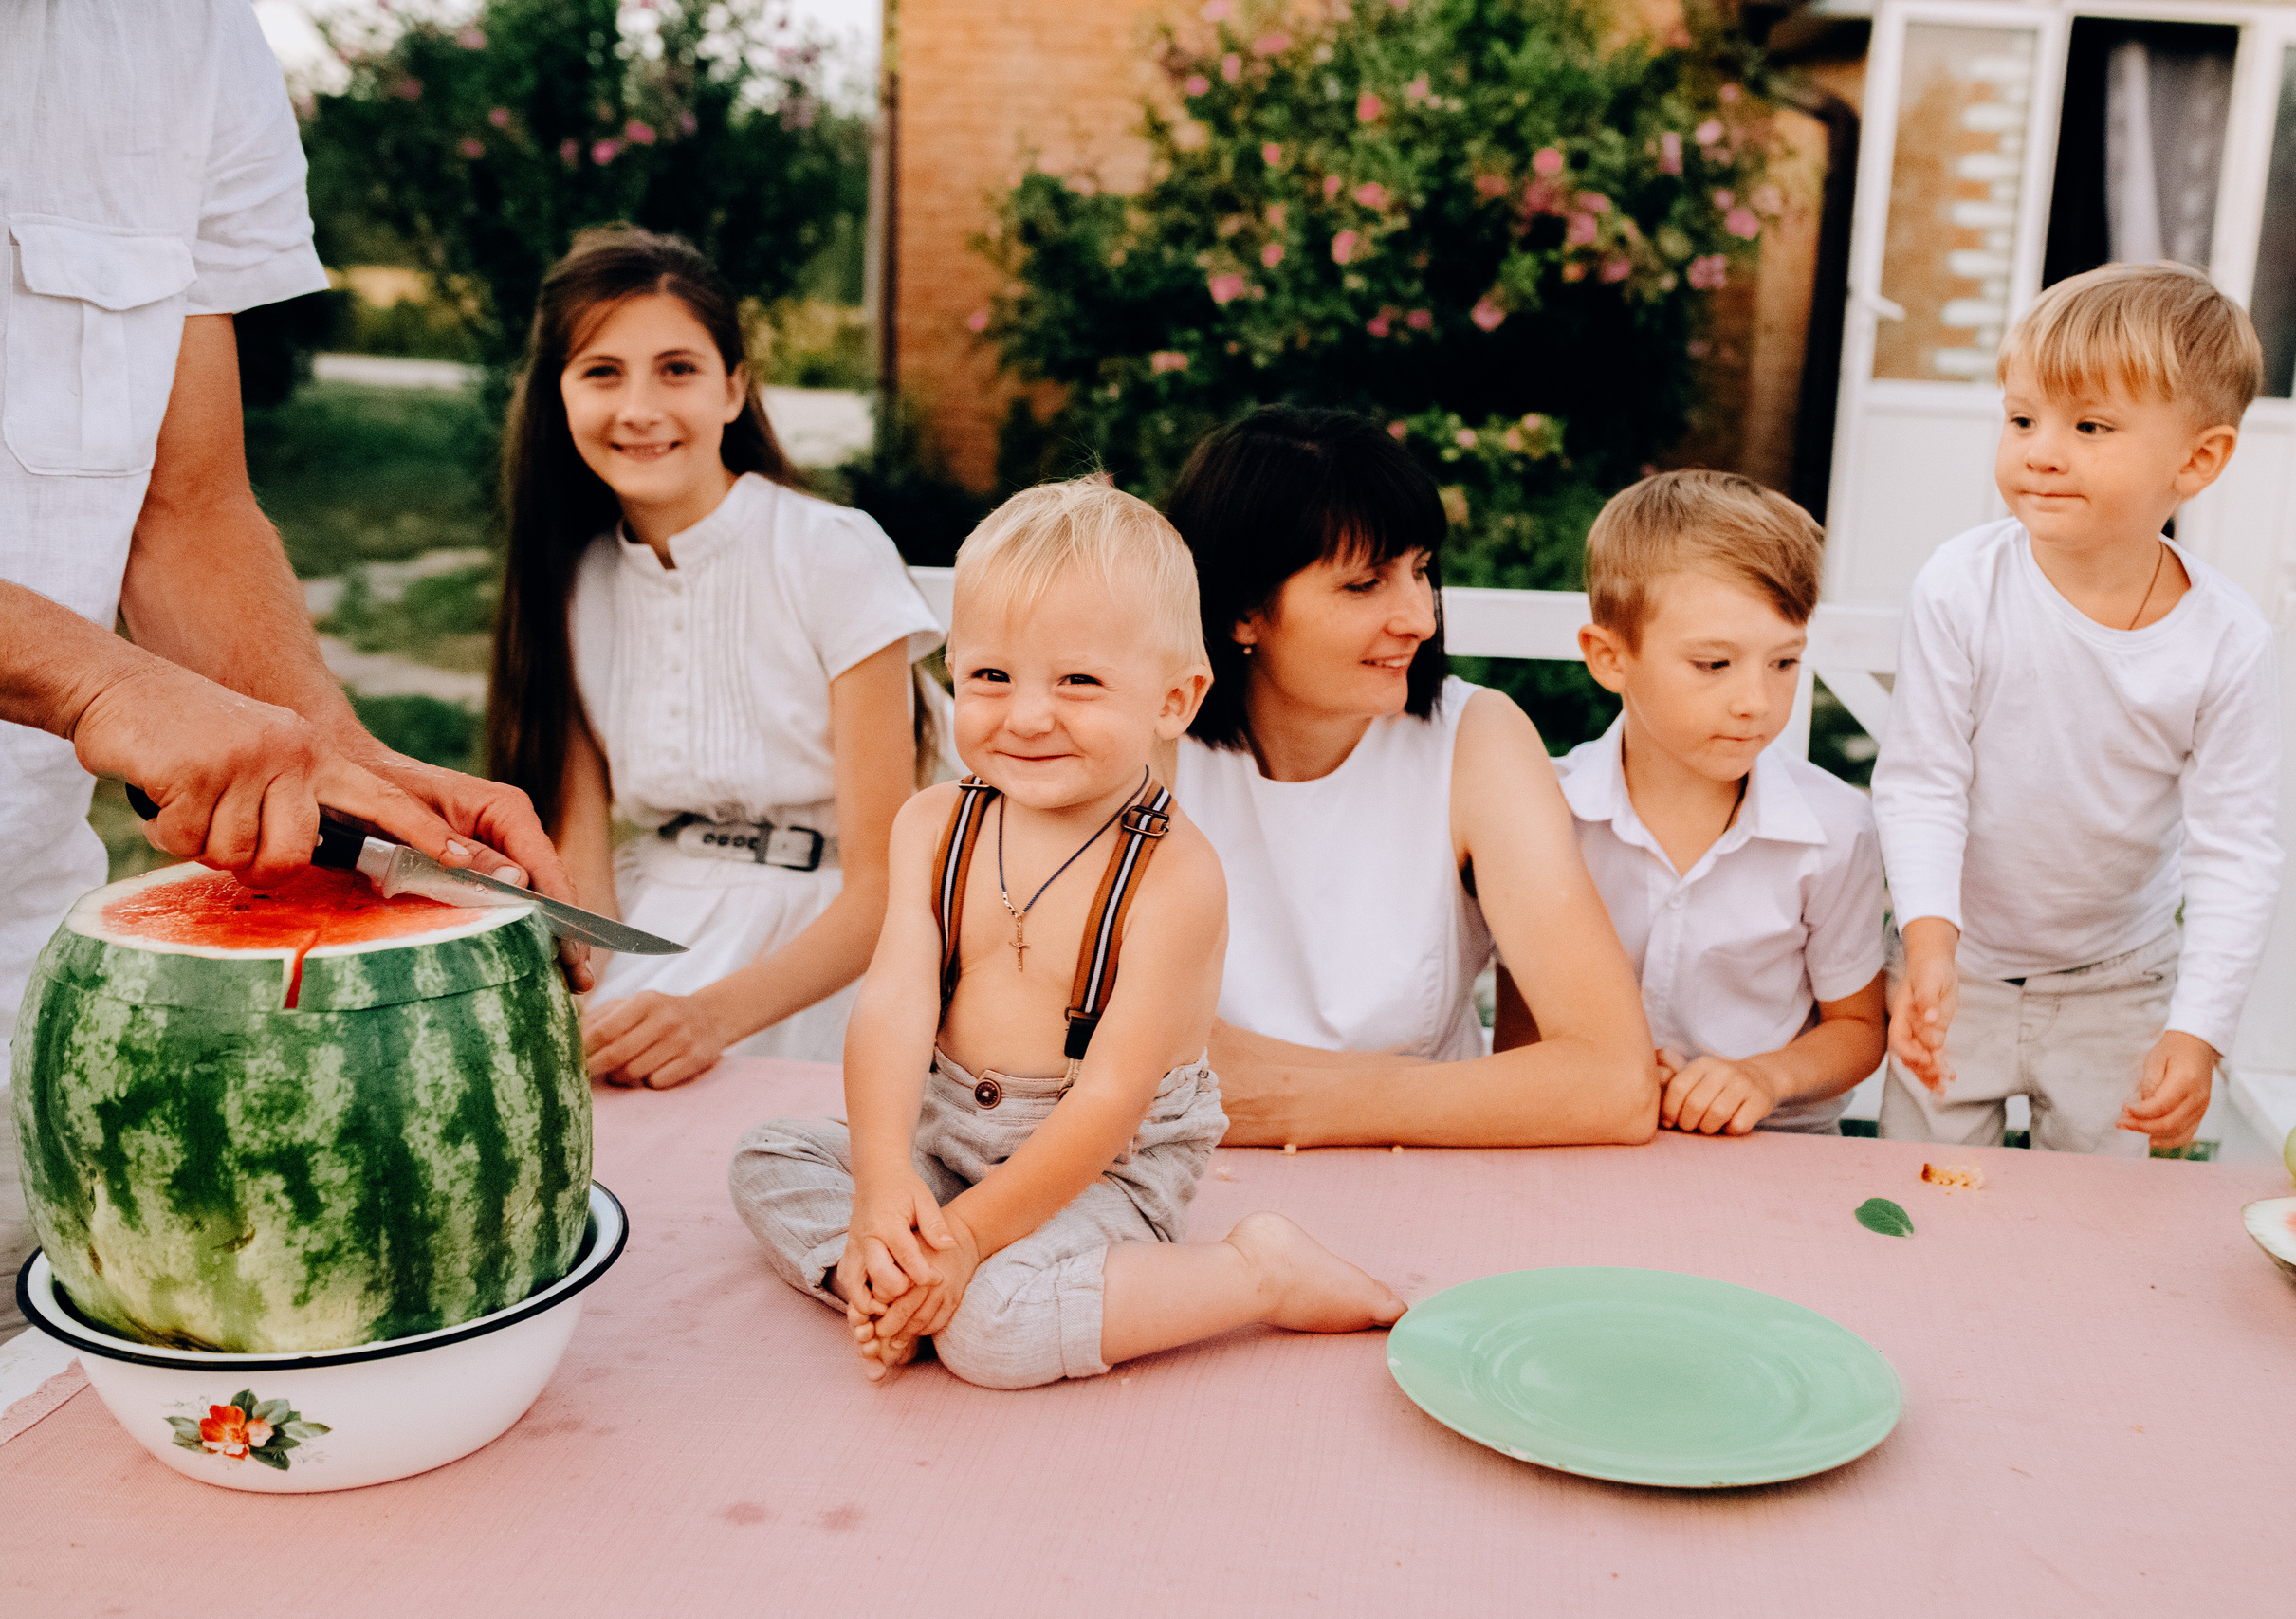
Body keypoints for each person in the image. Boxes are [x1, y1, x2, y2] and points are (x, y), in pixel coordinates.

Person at [0, 0, 573, 1342]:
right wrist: (101, 684)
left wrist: (332, 756)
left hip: (24, 956)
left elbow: (188, 507)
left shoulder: (187, 38)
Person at [729, 480, 1403, 1388]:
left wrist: (968, 1236)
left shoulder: (1174, 876)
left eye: (1078, 681)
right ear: (952, 671)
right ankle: (889, 1281)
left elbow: (1111, 1100)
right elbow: (892, 1008)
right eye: (990, 676)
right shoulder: (933, 825)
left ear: (1174, 698)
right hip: (945, 1132)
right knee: (770, 1156)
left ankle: (1256, 1272)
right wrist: (885, 1187)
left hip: (1101, 1165)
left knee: (991, 1333)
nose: (1027, 714)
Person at [486, 228, 942, 1086]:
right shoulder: (572, 581)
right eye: (602, 372)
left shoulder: (831, 552)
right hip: (656, 923)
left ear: (734, 388)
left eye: (677, 369)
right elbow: (583, 878)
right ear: (558, 394)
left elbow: (885, 888)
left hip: (836, 951)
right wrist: (582, 1006)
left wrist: (708, 1019)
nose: (639, 408)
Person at [1165, 407, 1660, 1148]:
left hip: (1424, 1174)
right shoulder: (1153, 747)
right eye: (1365, 583)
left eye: (1421, 570)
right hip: (1192, 1182)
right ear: (1242, 610)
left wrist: (1283, 1099)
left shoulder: (1477, 739)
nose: (1420, 619)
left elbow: (1615, 1081)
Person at [1872, 262, 2283, 1155]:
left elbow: (2236, 851)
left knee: (2106, 1214)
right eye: (2022, 419)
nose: (2041, 451)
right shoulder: (1960, 587)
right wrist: (1929, 944)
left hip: (2119, 985)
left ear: (2198, 459)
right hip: (1959, 967)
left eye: (2090, 426)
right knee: (1919, 1195)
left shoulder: (2226, 642)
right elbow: (1921, 781)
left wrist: (2197, 1031)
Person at [1498, 471, 1887, 1135]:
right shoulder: (1547, 815)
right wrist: (1604, 1077)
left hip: (1777, 1146)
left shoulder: (1835, 828)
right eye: (1714, 664)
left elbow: (1857, 1028)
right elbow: (1520, 1031)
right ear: (1609, 658)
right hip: (1593, 1138)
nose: (1755, 702)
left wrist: (1764, 1077)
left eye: (1784, 663)